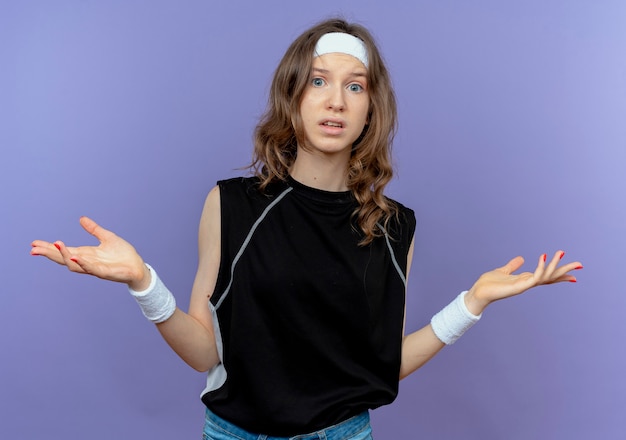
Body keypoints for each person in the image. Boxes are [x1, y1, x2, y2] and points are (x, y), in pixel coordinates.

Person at [30, 18, 582, 440]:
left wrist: (474, 301)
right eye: (318, 81)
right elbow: (205, 354)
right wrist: (143, 282)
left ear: (372, 109)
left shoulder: (395, 226)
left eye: (355, 86)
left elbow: (380, 365)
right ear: (293, 95)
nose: (336, 100)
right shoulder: (231, 204)